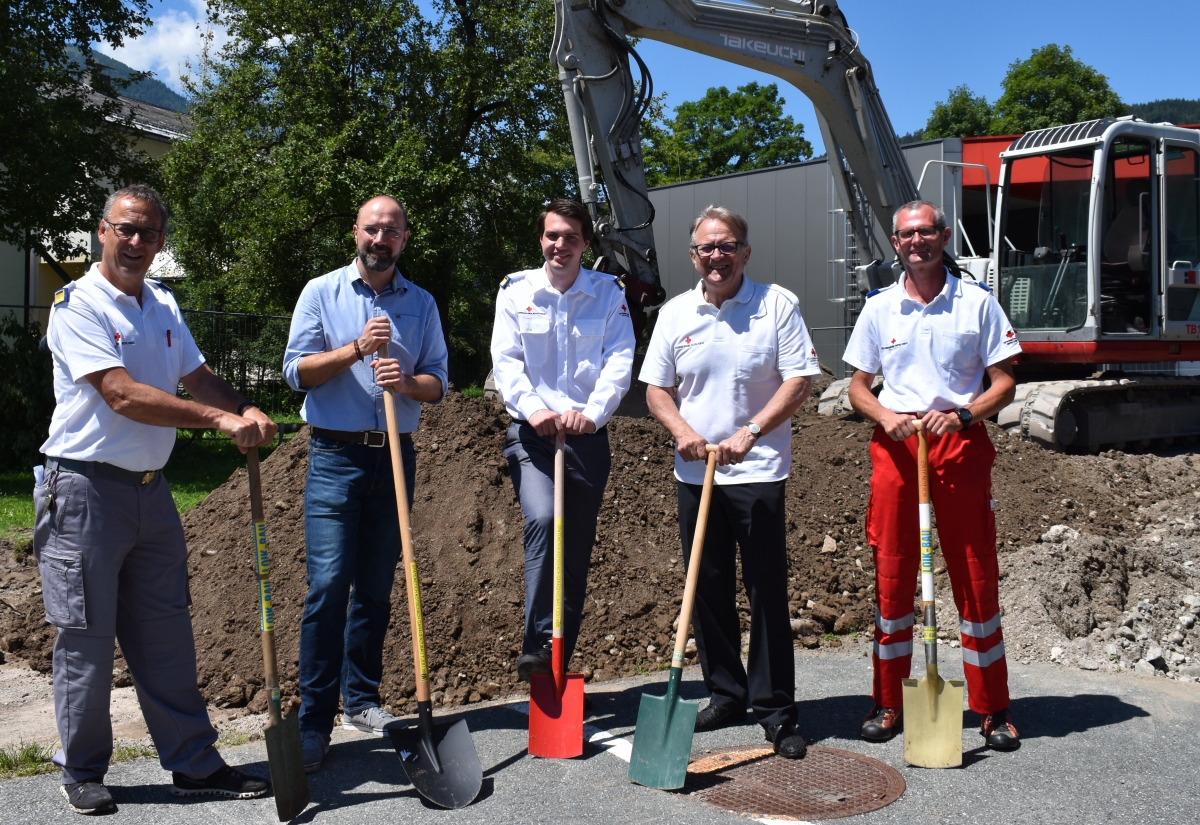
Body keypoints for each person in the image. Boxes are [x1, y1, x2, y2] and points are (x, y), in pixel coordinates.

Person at [36, 184, 275, 814]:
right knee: (84, 638)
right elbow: (120, 393)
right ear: (101, 231)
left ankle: (195, 765)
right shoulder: (78, 304)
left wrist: (243, 406)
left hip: (150, 493)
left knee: (167, 635)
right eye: (125, 229)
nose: (135, 242)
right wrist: (217, 422)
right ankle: (82, 770)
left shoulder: (162, 304)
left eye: (148, 233)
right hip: (84, 493)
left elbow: (198, 376)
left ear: (161, 242)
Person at [640, 205, 821, 759]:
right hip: (696, 474)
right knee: (707, 585)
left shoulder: (776, 305)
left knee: (766, 588)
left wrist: (751, 430)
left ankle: (775, 709)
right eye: (705, 248)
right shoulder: (675, 314)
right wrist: (682, 431)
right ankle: (726, 692)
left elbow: (800, 380)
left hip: (758, 471)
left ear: (745, 251)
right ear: (693, 255)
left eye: (726, 246)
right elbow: (656, 390)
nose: (715, 257)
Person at [843, 199, 1021, 750]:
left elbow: (1004, 382)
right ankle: (889, 702)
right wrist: (886, 415)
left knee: (974, 575)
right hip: (897, 450)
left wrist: (964, 412)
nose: (916, 241)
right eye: (906, 235)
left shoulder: (977, 304)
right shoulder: (879, 308)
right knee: (895, 577)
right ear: (895, 243)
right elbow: (857, 386)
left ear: (943, 235)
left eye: (926, 232)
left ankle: (992, 709)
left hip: (958, 447)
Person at [282, 195, 448, 772]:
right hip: (335, 455)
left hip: (396, 457)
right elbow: (295, 372)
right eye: (372, 229)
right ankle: (312, 723)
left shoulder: (421, 303)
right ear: (356, 232)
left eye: (392, 231)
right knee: (328, 586)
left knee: (376, 586)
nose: (381, 239)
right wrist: (355, 349)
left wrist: (405, 381)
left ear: (404, 239)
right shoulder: (321, 293)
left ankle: (362, 700)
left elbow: (439, 382)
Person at [490, 199, 634, 683]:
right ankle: (536, 645)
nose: (561, 245)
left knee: (574, 553)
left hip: (587, 439)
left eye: (571, 236)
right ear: (541, 240)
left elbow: (619, 358)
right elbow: (506, 359)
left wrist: (591, 415)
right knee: (546, 519)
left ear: (585, 244)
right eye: (553, 235)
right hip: (532, 437)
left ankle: (555, 666)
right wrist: (536, 410)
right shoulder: (515, 291)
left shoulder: (608, 293)